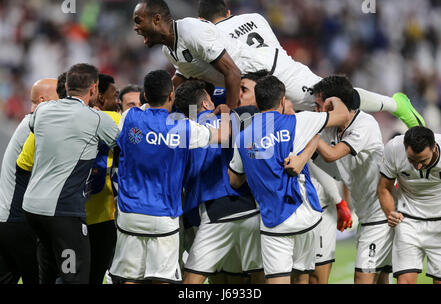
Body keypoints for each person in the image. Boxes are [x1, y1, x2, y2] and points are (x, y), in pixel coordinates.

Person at [193, 0, 424, 128]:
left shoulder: (210, 35)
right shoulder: (254, 17)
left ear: (202, 19)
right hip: (280, 72)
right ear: (228, 11)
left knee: (337, 99)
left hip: (282, 79)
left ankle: (396, 105)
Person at [108, 70, 231, 284]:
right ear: (171, 96)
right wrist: (226, 111)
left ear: (145, 95)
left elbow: (139, 116)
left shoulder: (130, 117)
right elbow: (223, 136)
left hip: (130, 212)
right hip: (163, 215)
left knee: (130, 277)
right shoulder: (184, 128)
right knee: (163, 278)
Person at [228, 75, 349, 284]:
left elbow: (234, 181)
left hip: (274, 222)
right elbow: (343, 114)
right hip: (307, 217)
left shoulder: (244, 137)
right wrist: (333, 101)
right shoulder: (298, 122)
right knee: (302, 278)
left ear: (257, 102)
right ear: (283, 101)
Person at [17, 63, 120, 284]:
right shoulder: (97, 119)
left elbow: (36, 128)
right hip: (63, 212)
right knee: (75, 277)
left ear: (65, 85)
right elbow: (121, 144)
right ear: (93, 90)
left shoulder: (43, 110)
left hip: (33, 209)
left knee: (48, 274)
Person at [304, 75, 393, 284]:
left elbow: (332, 154)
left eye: (320, 106)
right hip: (367, 214)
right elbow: (323, 163)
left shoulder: (364, 123)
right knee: (381, 279)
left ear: (335, 104)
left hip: (380, 213)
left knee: (362, 277)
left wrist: (308, 130)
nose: (316, 112)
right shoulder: (331, 130)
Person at [173, 80, 264, 284]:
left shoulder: (180, 131)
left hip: (209, 211)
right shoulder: (237, 118)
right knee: (254, 275)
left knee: (202, 276)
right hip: (247, 205)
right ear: (206, 103)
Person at [0, 78, 59, 284]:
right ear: (44, 100)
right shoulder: (37, 123)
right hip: (19, 220)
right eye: (61, 96)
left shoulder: (29, 122)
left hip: (7, 220)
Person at [378, 126, 441, 284]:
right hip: (408, 221)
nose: (418, 166)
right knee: (404, 281)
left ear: (434, 148)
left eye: (423, 161)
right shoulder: (393, 148)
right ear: (405, 146)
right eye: (412, 160)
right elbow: (384, 188)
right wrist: (390, 213)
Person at [85, 73, 121, 284]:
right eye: (114, 95)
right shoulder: (114, 119)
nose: (117, 101)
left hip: (70, 213)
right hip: (100, 216)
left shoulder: (75, 118)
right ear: (99, 97)